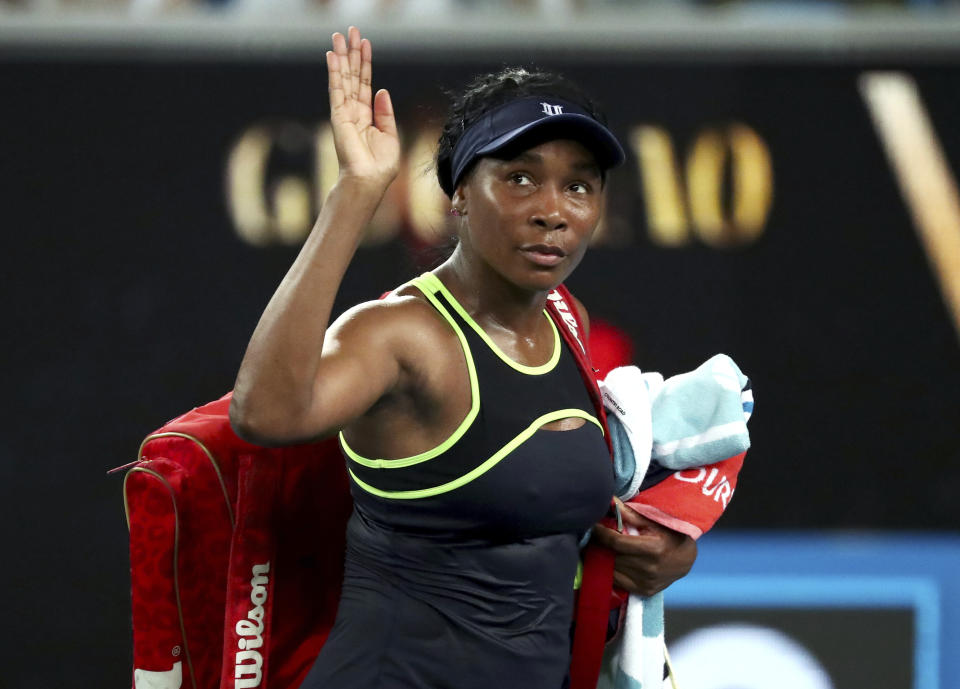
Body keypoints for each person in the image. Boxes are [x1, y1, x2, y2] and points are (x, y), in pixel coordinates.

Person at [229, 26, 696, 689]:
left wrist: (656, 556)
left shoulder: (568, 317)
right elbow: (264, 412)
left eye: (579, 187)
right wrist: (357, 192)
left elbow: (546, 520)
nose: (552, 211)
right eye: (519, 178)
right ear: (457, 196)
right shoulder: (400, 335)